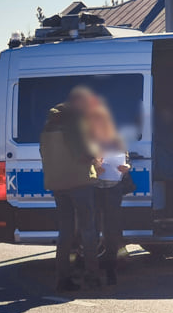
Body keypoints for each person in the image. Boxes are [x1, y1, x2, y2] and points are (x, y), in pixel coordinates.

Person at [39, 87, 100, 291]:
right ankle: (92, 277)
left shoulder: (46, 132)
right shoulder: (73, 128)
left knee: (64, 232)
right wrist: (96, 156)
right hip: (80, 184)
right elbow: (85, 154)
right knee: (88, 231)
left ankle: (62, 279)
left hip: (58, 186)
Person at [86, 101, 131, 286]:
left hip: (113, 188)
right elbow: (80, 160)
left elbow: (127, 160)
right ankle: (93, 271)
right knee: (93, 230)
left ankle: (111, 268)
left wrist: (125, 167)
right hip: (94, 188)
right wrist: (94, 165)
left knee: (112, 230)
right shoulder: (88, 139)